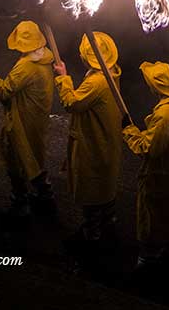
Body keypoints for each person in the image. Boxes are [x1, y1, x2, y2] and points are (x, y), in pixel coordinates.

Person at [53, 32, 123, 263]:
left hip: (94, 144)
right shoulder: (111, 72)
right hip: (105, 141)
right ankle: (108, 226)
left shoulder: (97, 81)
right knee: (104, 186)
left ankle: (92, 238)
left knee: (92, 190)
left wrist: (63, 77)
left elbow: (71, 103)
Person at [122, 61, 169, 271]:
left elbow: (148, 148)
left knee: (154, 217)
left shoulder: (165, 115)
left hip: (160, 175)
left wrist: (129, 131)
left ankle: (149, 259)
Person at [0, 21, 55, 220]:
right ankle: (45, 197)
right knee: (34, 157)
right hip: (37, 118)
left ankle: (20, 203)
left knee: (18, 160)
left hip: (22, 120)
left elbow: (4, 91)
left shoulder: (26, 66)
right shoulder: (46, 56)